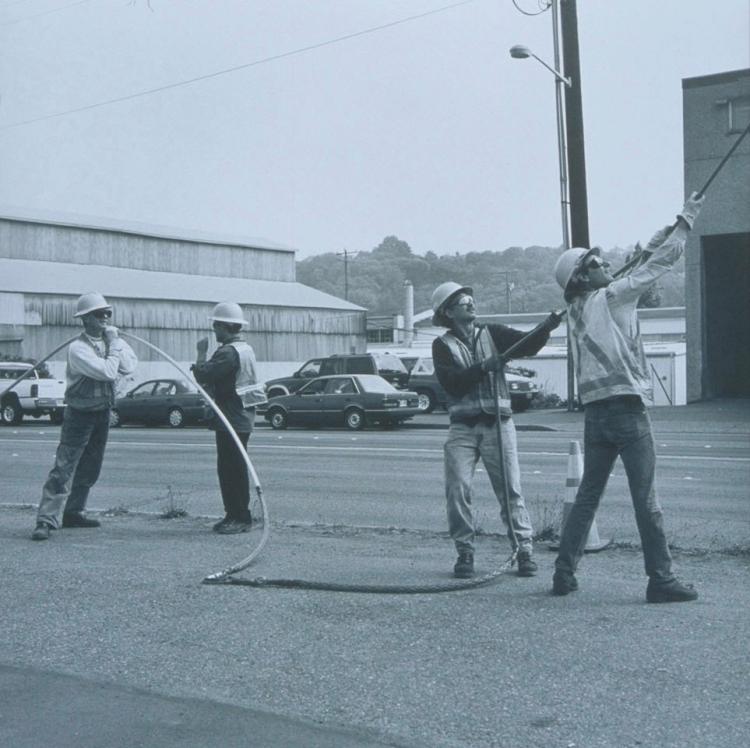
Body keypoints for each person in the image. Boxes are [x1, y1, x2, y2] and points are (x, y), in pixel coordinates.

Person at [551, 192, 705, 603]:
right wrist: (687, 220)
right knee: (647, 500)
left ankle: (563, 573)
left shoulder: (577, 309)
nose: (606, 264)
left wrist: (670, 222)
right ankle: (661, 578)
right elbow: (658, 263)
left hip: (595, 415)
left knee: (587, 496)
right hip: (628, 412)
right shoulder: (612, 296)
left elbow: (641, 256)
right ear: (583, 278)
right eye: (597, 264)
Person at [431, 282, 562, 578]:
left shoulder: (493, 334)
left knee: (511, 491)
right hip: (462, 429)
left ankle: (524, 551)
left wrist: (546, 327)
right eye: (462, 301)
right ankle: (464, 552)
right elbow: (451, 382)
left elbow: (528, 343)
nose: (470, 303)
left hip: (498, 426)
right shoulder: (442, 345)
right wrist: (484, 367)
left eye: (470, 299)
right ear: (448, 312)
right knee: (457, 489)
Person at [32, 293, 138, 541]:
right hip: (79, 415)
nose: (105, 318)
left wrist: (116, 341)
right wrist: (113, 344)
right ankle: (46, 520)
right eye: (99, 314)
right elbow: (110, 372)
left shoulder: (111, 341)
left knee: (91, 465)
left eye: (107, 313)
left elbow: (130, 366)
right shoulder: (78, 349)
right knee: (64, 466)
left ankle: (74, 511)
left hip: (102, 413)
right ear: (86, 319)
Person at [191, 302, 262, 535]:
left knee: (230, 470)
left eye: (216, 326)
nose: (213, 330)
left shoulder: (228, 353)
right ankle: (239, 515)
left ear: (224, 326)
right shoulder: (245, 349)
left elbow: (205, 373)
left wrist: (200, 353)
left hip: (231, 418)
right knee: (236, 468)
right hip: (242, 415)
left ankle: (238, 517)